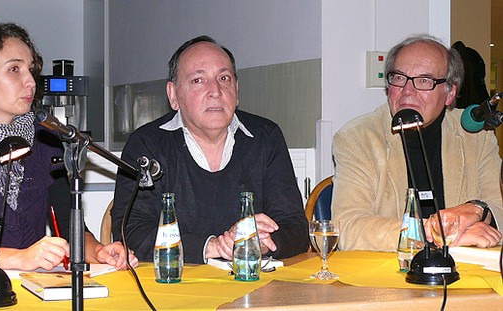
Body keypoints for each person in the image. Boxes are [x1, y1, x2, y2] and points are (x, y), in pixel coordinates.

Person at [0, 23, 137, 271]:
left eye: (31, 70)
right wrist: (20, 258)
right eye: (14, 69)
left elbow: (68, 226)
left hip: (33, 288)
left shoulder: (46, 140)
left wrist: (98, 251)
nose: (31, 82)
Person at [111, 35, 309, 263]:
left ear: (236, 90)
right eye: (198, 80)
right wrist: (211, 246)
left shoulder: (265, 137)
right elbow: (131, 232)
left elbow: (295, 227)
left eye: (224, 78)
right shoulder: (147, 144)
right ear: (173, 95)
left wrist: (260, 243)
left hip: (253, 286)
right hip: (174, 287)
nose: (215, 90)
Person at [331, 34, 502, 252]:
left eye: (424, 81)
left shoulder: (475, 136)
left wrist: (478, 210)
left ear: (450, 93)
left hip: (465, 273)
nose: (407, 91)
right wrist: (436, 232)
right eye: (399, 78)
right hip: (391, 276)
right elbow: (348, 228)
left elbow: (499, 206)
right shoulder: (357, 138)